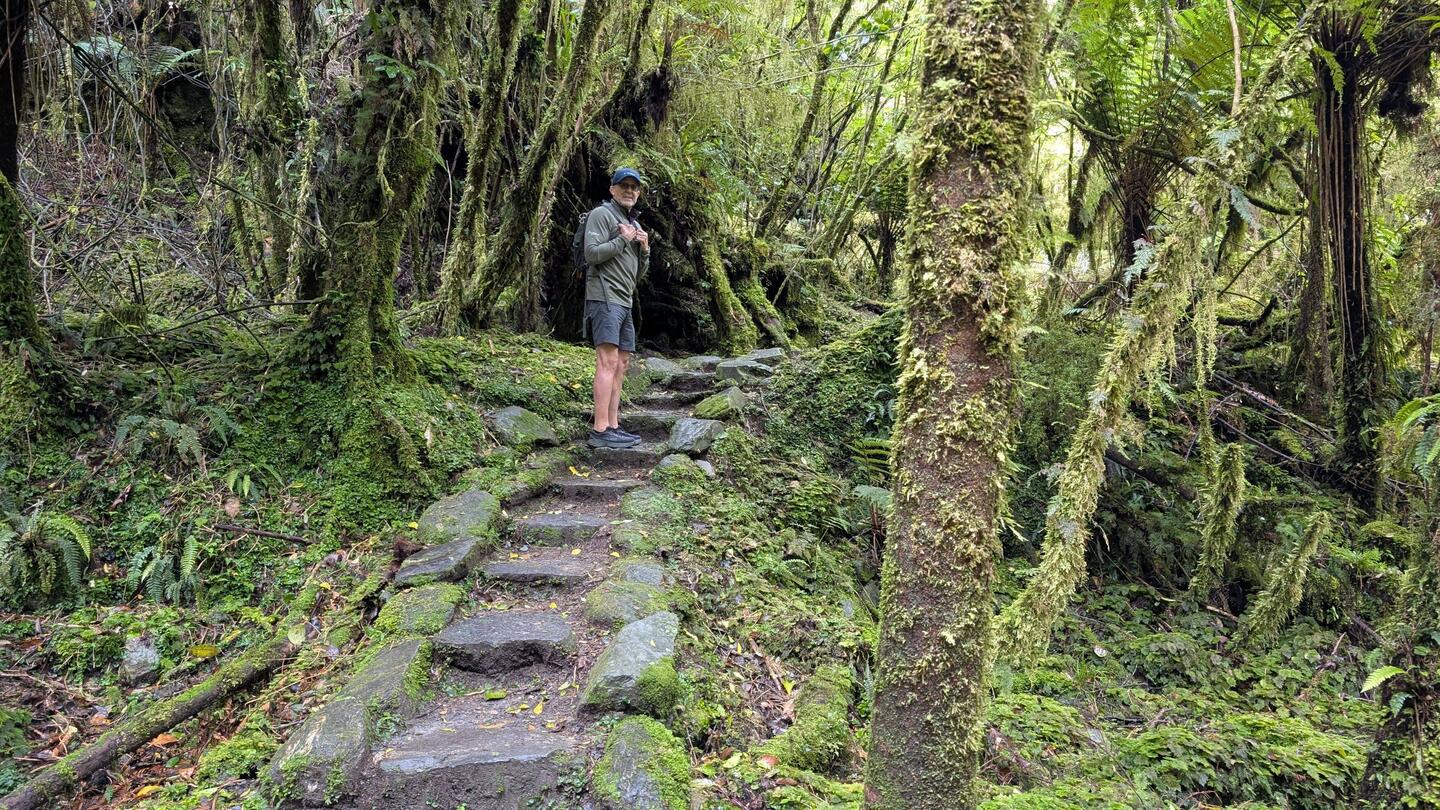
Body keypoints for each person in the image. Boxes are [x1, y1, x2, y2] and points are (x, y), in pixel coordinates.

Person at [584, 168, 650, 449]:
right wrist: (623, 239)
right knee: (607, 361)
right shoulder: (601, 215)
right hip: (604, 297)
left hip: (624, 300)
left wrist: (644, 249)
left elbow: (635, 274)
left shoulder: (629, 222)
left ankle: (613, 424)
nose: (630, 191)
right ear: (612, 189)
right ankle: (600, 430)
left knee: (622, 363)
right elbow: (592, 254)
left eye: (634, 187)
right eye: (624, 185)